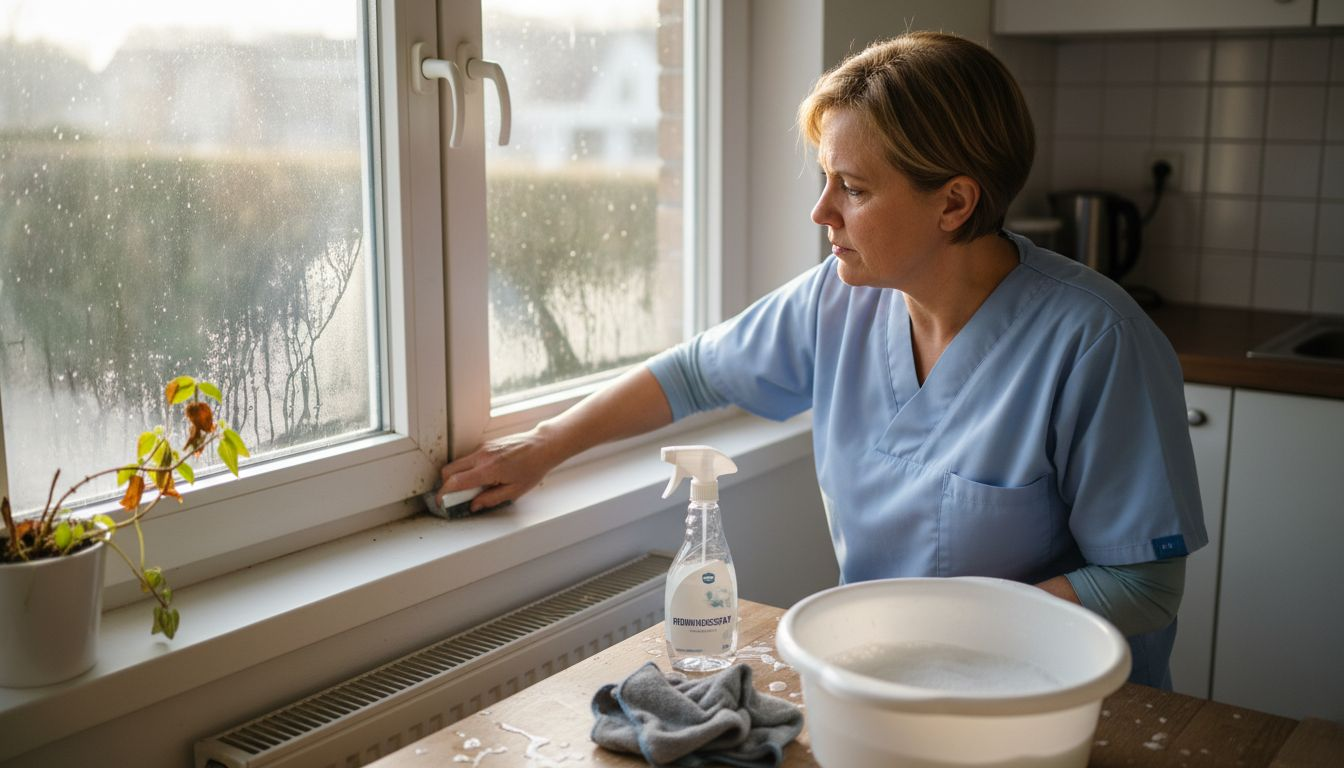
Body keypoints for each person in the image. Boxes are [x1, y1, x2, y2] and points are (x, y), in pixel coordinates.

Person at [439, 31, 1206, 689]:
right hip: (887, 684)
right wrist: (544, 449)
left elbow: (1142, 584)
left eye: (853, 188)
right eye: (824, 179)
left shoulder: (1096, 342)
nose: (821, 212)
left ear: (954, 203)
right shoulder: (838, 301)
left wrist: (943, 629)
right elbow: (693, 373)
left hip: (1055, 703)